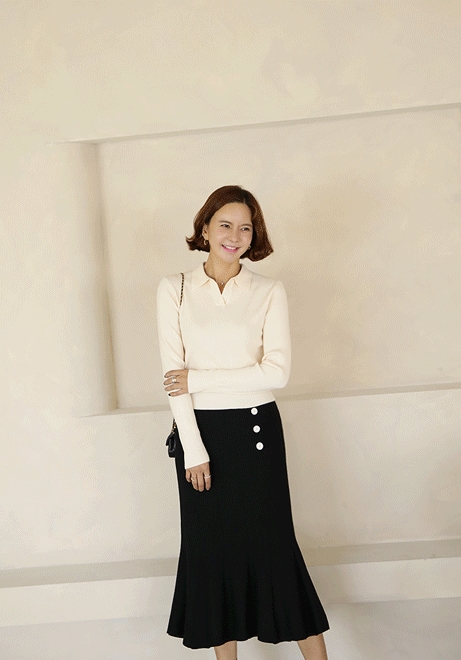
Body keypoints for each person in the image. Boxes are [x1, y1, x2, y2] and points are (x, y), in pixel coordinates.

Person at [157, 185, 329, 660]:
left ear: (255, 236)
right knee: (211, 560)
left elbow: (277, 373)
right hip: (200, 437)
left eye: (246, 228)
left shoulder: (269, 291)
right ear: (205, 227)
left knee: (276, 553)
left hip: (257, 434)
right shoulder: (174, 288)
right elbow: (172, 378)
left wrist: (198, 379)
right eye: (225, 225)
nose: (234, 236)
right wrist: (193, 450)